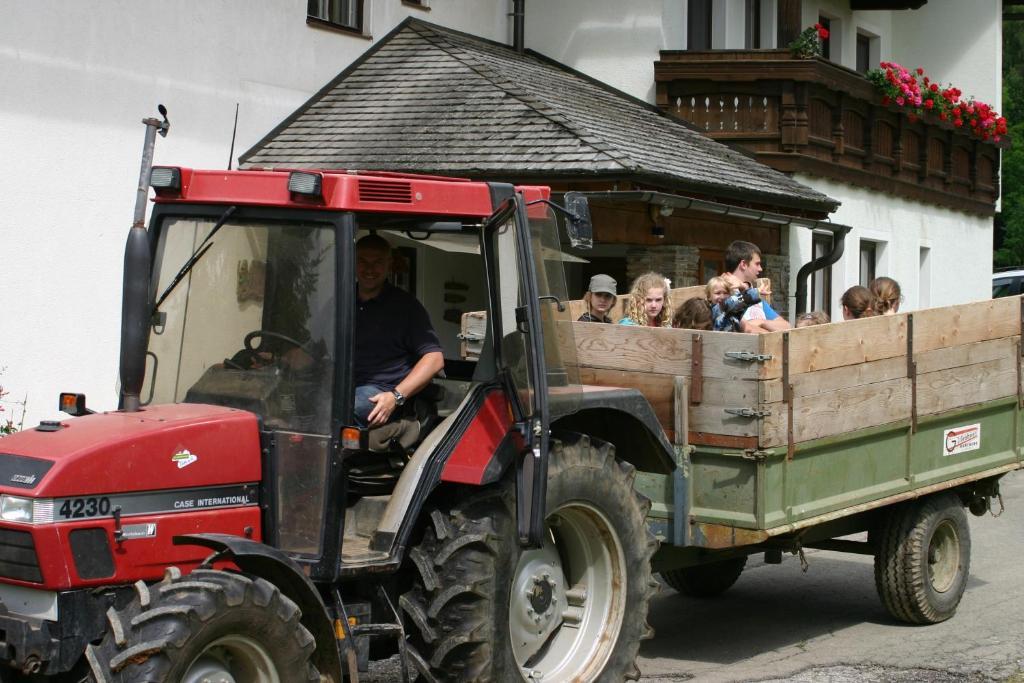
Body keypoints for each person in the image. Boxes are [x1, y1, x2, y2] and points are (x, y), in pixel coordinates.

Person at [353, 234, 444, 427]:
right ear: (353, 262)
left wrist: (395, 396)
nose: (369, 269)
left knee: (348, 406)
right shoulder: (342, 300)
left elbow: (434, 359)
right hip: (344, 385)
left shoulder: (406, 307)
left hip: (381, 392)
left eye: (377, 262)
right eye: (362, 261)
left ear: (389, 264)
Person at [723, 240, 792, 331]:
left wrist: (761, 322)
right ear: (743, 264)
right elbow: (746, 330)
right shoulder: (723, 294)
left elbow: (787, 327)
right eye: (757, 264)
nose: (760, 269)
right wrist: (767, 329)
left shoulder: (754, 296)